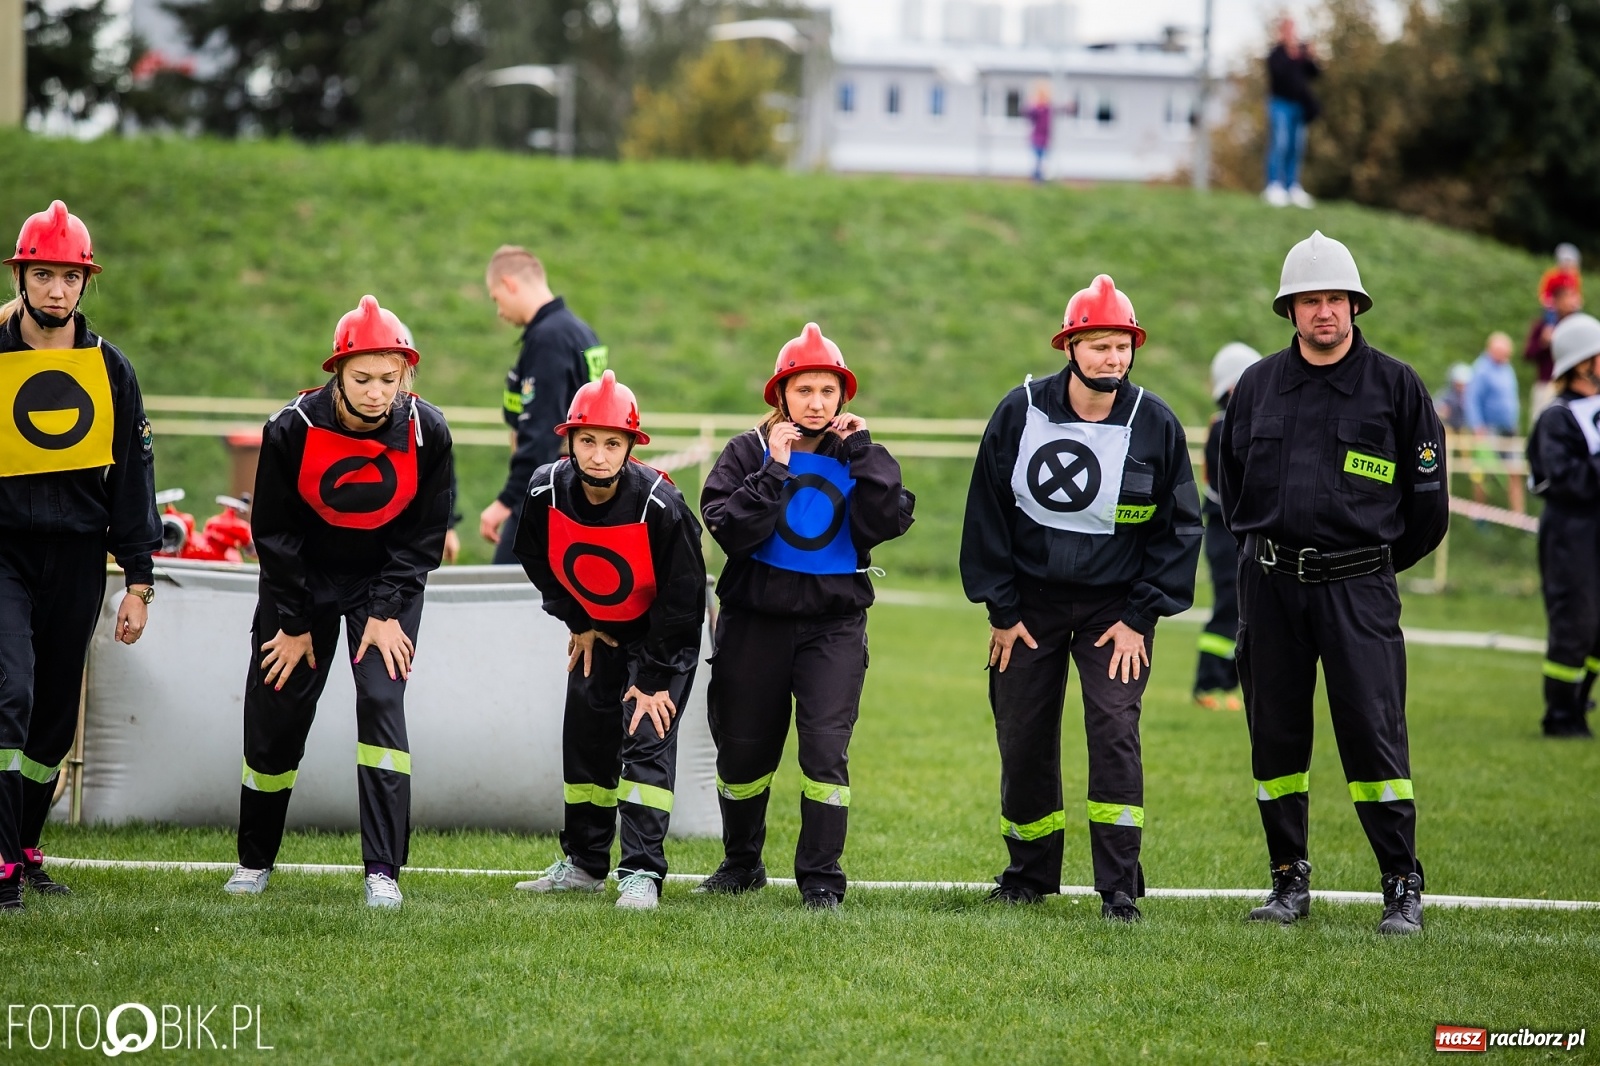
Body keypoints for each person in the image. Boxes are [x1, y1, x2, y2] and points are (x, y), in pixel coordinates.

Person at [1218, 231, 1448, 936]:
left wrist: (1365, 564)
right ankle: (1288, 881)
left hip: (1360, 591)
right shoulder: (1257, 386)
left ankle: (1400, 886)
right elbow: (1232, 491)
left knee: (1374, 737)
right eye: (1311, 300)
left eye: (1337, 299)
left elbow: (1427, 509)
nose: (1325, 312)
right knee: (1275, 738)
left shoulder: (1396, 386)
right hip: (1271, 587)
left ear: (1356, 305)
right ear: (1290, 310)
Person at [961, 276, 1201, 922]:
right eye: (1099, 346)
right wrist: (1003, 612)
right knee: (1023, 734)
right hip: (1029, 608)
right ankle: (1028, 875)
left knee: (1115, 730)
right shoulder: (1020, 411)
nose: (1113, 360)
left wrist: (1139, 618)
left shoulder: (1155, 423)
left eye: (1122, 346)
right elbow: (987, 510)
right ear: (1070, 347)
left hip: (1115, 613)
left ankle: (1119, 886)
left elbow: (1180, 528)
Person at [223, 295, 453, 910]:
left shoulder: (429, 432)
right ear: (337, 374)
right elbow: (273, 535)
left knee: (382, 701)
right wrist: (295, 625)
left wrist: (383, 612)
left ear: (407, 374)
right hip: (300, 583)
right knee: (275, 713)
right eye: (362, 378)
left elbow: (423, 538)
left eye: (390, 378)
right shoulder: (291, 429)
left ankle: (383, 870)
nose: (378, 392)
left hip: (387, 586)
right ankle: (254, 861)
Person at [697, 323, 914, 909]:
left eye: (827, 391)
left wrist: (866, 452)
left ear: (842, 397)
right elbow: (729, 528)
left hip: (833, 628)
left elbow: (889, 518)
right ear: (780, 396)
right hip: (753, 625)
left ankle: (821, 879)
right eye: (803, 390)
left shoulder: (856, 453)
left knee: (824, 752)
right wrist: (774, 467)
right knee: (742, 752)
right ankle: (741, 864)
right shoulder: (746, 451)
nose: (815, 403)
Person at [0, 200, 160, 911]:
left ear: (84, 283)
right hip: (4, 553)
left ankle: (26, 848)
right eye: (43, 275)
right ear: (22, 277)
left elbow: (133, 478)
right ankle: (0, 859)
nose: (56, 290)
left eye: (69, 276)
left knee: (53, 720)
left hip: (78, 559)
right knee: (11, 695)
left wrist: (140, 581)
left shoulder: (110, 368)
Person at [511, 371, 706, 910]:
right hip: (598, 634)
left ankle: (641, 871)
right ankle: (583, 864)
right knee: (587, 740)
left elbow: (685, 598)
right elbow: (534, 557)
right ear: (570, 440)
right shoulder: (544, 490)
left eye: (612, 443)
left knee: (644, 740)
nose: (598, 455)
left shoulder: (660, 504)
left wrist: (655, 678)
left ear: (630, 448)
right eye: (588, 441)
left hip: (661, 640)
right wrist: (576, 620)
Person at [478, 246, 607, 563]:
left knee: (503, 597)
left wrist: (507, 501)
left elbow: (542, 430)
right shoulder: (578, 330)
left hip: (549, 489)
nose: (499, 311)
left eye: (496, 298)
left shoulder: (548, 338)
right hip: (580, 489)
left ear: (510, 284)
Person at [1526, 312, 1600, 739]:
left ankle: (1580, 701)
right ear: (1581, 362)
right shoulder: (1557, 417)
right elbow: (1560, 478)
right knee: (1575, 623)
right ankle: (1560, 715)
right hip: (1571, 533)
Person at [1194, 343, 1262, 712]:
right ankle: (1208, 684)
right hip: (1226, 532)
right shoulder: (1225, 427)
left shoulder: (1240, 424)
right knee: (1228, 608)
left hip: (1242, 533)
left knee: (1245, 612)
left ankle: (1228, 685)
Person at [1263, 15, 1320, 209]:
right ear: (1281, 32)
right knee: (1280, 143)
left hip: (1299, 106)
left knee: (1296, 146)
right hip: (1280, 104)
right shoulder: (1276, 54)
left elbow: (1315, 74)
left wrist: (1311, 56)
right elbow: (1279, 76)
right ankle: (1274, 186)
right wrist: (1292, 56)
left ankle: (1292, 186)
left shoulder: (1302, 54)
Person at [1464, 331, 1524, 513]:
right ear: (1491, 350)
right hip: (1488, 429)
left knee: (1515, 471)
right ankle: (1480, 516)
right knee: (1483, 473)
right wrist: (1477, 427)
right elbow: (1472, 399)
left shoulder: (1507, 368)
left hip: (1509, 428)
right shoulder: (1481, 369)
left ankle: (1519, 518)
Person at [1525, 280, 1583, 422]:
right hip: (1547, 383)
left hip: (1572, 384)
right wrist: (1543, 342)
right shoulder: (1544, 325)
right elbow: (1528, 354)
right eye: (1567, 296)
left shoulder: (1578, 326)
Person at [1538, 244, 1583, 327]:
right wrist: (1548, 300)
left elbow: (1576, 292)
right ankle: (1550, 327)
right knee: (1550, 314)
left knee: (1577, 313)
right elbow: (1545, 291)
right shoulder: (1552, 276)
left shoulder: (1574, 277)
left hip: (1568, 303)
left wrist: (1577, 301)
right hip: (1553, 304)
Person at [1433, 364, 1472, 433]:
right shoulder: (1446, 395)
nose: (1462, 388)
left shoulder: (1471, 397)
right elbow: (1436, 409)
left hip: (1465, 429)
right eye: (1459, 384)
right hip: (1449, 428)